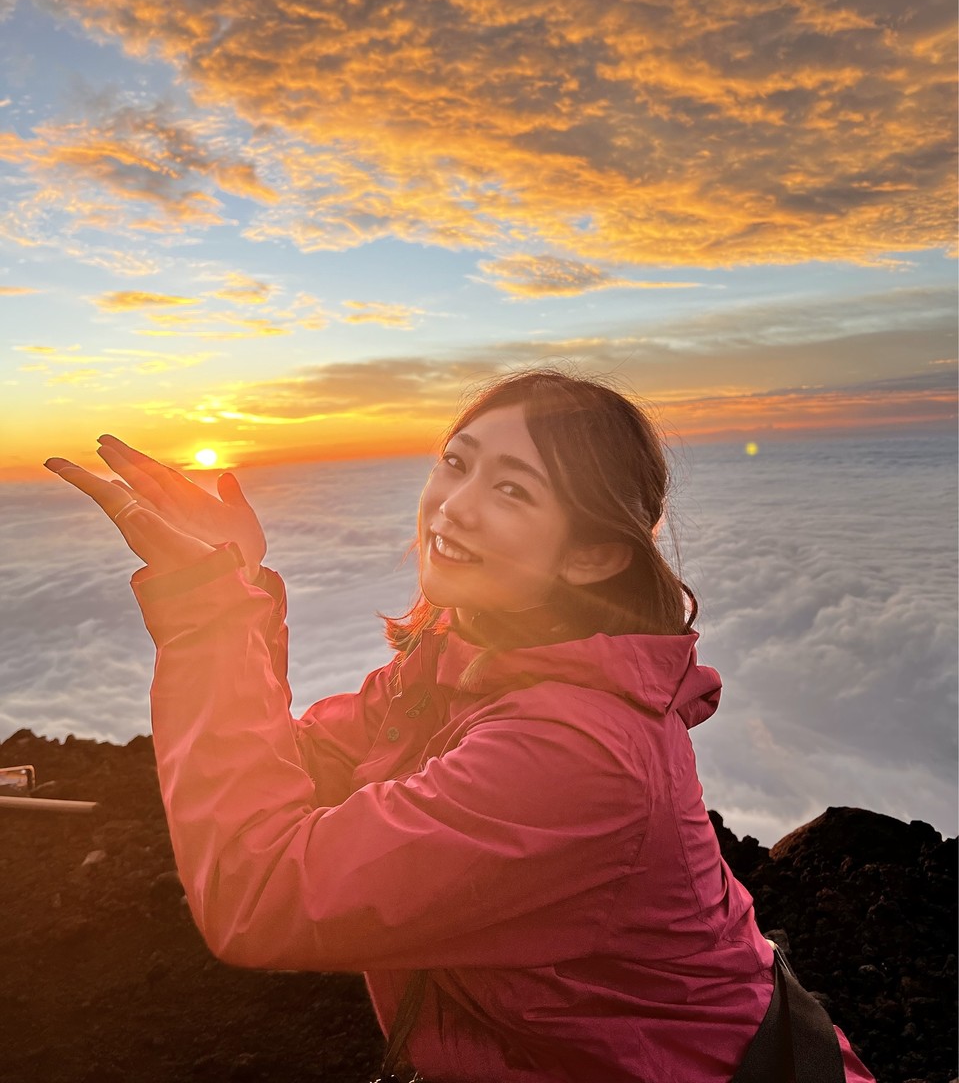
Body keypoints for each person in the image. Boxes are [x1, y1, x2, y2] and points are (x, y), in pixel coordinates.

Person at [44, 369, 874, 1083]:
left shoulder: (575, 756)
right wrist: (242, 582)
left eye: (511, 490)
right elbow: (290, 772)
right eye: (455, 462)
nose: (454, 506)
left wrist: (210, 618)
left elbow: (257, 893)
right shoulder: (462, 656)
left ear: (590, 555)